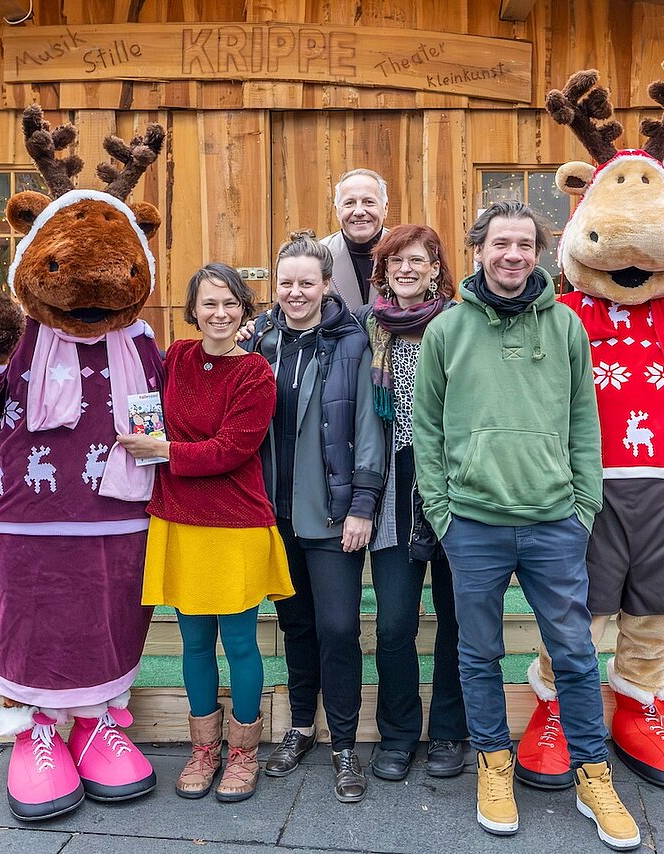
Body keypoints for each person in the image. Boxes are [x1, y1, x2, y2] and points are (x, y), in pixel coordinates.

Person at [414, 201, 640, 849]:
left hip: (553, 522)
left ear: (538, 254)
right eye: (499, 243)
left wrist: (582, 508)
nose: (512, 254)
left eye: (524, 244)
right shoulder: (446, 332)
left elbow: (583, 421)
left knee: (573, 652)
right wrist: (443, 512)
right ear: (479, 250)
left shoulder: (567, 326)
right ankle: (493, 763)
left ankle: (593, 776)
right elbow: (425, 430)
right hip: (474, 524)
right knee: (479, 653)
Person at [118, 263, 294, 803]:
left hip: (235, 521)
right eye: (208, 305)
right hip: (178, 517)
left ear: (244, 310)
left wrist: (165, 452)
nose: (219, 315)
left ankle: (242, 753)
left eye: (229, 304)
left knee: (239, 641)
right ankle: (204, 748)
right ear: (193, 311)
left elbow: (231, 449)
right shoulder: (175, 359)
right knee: (194, 643)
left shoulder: (256, 372)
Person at [247, 230, 387, 803]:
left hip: (332, 516)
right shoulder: (259, 340)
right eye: (287, 283)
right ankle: (301, 727)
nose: (296, 292)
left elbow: (368, 431)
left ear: (327, 285)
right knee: (296, 627)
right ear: (275, 287)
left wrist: (362, 505)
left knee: (338, 629)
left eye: (308, 282)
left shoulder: (353, 343)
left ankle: (346, 745)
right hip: (274, 515)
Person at [357, 224, 469, 783]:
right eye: (395, 259)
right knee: (396, 621)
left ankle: (450, 732)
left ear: (435, 269)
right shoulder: (367, 328)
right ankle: (398, 734)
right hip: (394, 483)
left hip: (453, 482)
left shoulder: (461, 323)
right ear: (383, 268)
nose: (406, 268)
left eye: (417, 260)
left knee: (456, 618)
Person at [321, 168, 390, 310]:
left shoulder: (405, 252)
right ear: (337, 211)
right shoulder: (318, 256)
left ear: (385, 208)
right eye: (349, 203)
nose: (359, 211)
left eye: (369, 202)